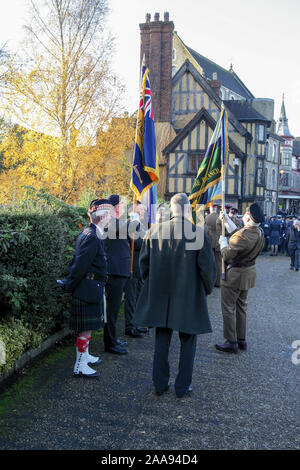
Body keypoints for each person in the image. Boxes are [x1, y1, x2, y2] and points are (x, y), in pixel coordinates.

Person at [133, 193, 216, 398]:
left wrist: (150, 284)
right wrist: (206, 289)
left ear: (171, 208)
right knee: (188, 341)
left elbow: (143, 264)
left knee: (162, 340)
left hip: (160, 292)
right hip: (188, 294)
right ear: (187, 209)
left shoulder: (154, 231)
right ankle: (182, 386)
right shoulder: (197, 232)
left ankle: (160, 384)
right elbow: (207, 268)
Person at [60, 199, 112, 377]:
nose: (111, 219)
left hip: (91, 287)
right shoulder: (92, 237)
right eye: (109, 216)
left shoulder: (92, 233)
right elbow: (80, 265)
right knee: (85, 329)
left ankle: (85, 356)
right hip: (87, 288)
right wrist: (69, 284)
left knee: (87, 329)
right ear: (102, 217)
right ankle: (80, 365)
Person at [215, 203, 265, 354]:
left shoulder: (244, 236)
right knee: (241, 307)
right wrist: (227, 222)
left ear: (248, 217)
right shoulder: (258, 232)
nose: (243, 216)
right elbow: (240, 234)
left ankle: (231, 341)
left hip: (235, 275)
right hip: (248, 273)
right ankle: (241, 339)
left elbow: (227, 255)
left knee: (228, 308)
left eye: (245, 214)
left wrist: (223, 243)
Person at [124, 201, 148, 336]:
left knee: (138, 296)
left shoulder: (139, 225)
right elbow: (136, 243)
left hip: (139, 266)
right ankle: (130, 326)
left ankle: (137, 323)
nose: (142, 213)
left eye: (143, 211)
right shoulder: (130, 224)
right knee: (131, 297)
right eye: (139, 211)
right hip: (132, 266)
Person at [204, 204, 222, 287]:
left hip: (210, 242)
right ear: (216, 209)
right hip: (218, 242)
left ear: (211, 209)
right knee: (218, 263)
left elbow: (205, 230)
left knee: (210, 262)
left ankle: (211, 281)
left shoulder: (207, 218)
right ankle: (218, 281)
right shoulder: (219, 217)